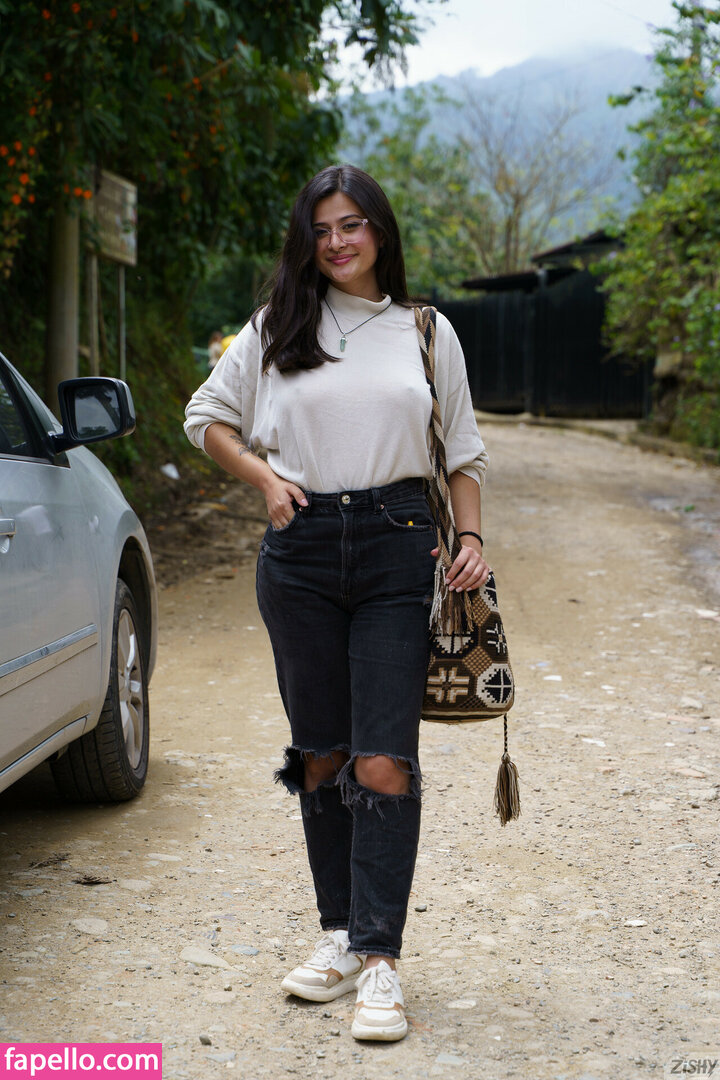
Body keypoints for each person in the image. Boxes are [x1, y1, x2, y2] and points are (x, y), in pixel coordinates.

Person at [184, 164, 489, 1042]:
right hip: (301, 550)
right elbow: (206, 418)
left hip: (400, 547)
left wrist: (471, 539)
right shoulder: (277, 325)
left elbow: (464, 452)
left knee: (384, 758)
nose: (337, 242)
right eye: (321, 230)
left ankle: (382, 959)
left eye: (351, 224)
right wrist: (263, 479)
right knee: (321, 754)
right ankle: (341, 937)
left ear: (379, 230)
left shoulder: (425, 330)